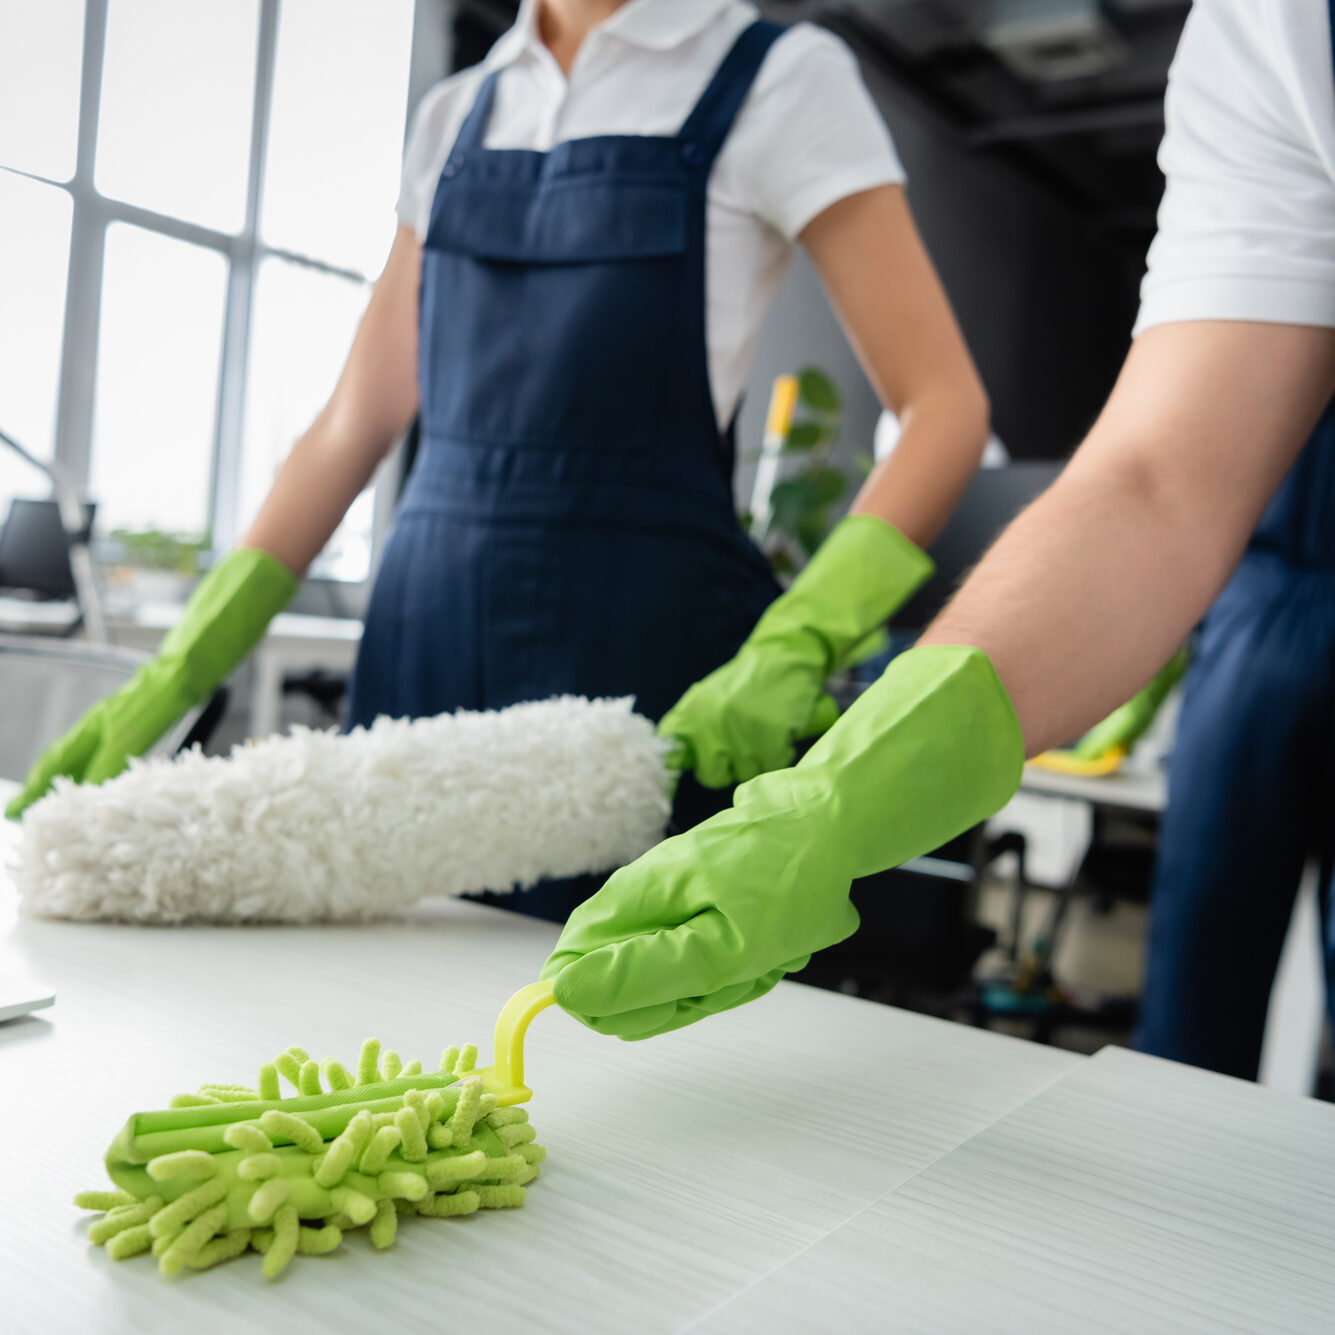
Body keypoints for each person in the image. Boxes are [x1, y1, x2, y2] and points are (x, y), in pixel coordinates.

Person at [7, 0, 991, 917]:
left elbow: (943, 404)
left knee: (602, 1029)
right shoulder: (455, 115)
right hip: (422, 647)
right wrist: (185, 664)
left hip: (644, 668)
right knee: (379, 1015)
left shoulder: (778, 78)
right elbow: (357, 418)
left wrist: (799, 640)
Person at [541, 0, 1335, 1045]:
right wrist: (834, 803)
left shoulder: (781, 75)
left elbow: (947, 408)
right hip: (1271, 580)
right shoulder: (1272, 28)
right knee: (1198, 988)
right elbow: (1156, 481)